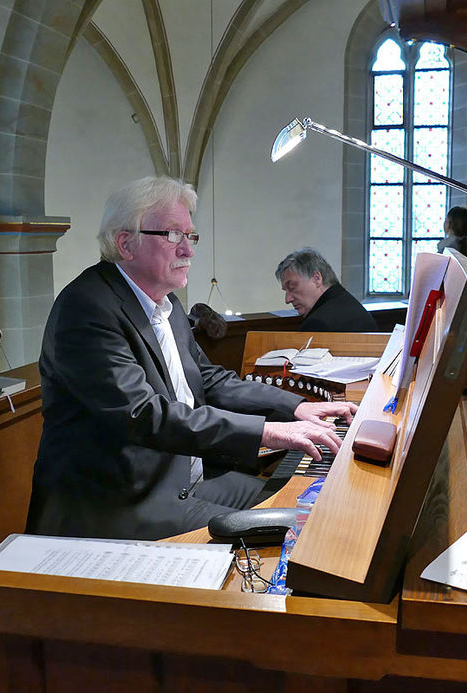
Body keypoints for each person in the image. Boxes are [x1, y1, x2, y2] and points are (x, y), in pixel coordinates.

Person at [26, 177, 357, 541]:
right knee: (287, 537)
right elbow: (144, 415)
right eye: (173, 236)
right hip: (122, 502)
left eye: (190, 236)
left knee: (308, 508)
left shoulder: (166, 304)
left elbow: (209, 379)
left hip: (185, 477)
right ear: (126, 244)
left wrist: (295, 408)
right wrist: (268, 431)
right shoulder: (87, 308)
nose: (188, 250)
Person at [275, 247, 378, 332]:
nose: (287, 299)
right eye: (286, 291)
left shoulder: (318, 323)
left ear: (317, 279)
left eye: (292, 287)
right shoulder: (347, 302)